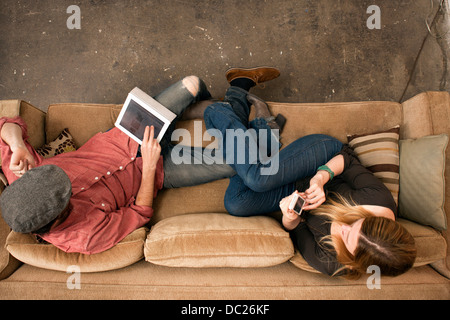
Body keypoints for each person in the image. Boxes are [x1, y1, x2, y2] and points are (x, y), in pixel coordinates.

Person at [203, 67, 416, 279]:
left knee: (236, 203)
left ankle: (258, 127)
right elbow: (347, 161)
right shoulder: (379, 202)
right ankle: (218, 109)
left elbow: (296, 230)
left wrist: (290, 215)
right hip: (324, 160)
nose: (343, 228)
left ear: (356, 262)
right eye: (355, 225)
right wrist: (320, 178)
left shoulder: (331, 262)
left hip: (296, 191)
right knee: (257, 179)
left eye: (348, 239)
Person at [0, 76, 235, 254]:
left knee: (192, 83)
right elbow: (139, 213)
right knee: (234, 163)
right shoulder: (84, 237)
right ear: (56, 219)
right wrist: (151, 167)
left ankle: (204, 105)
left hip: (128, 136)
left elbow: (4, 125)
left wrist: (18, 144)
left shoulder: (22, 176)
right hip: (159, 170)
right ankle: (188, 115)